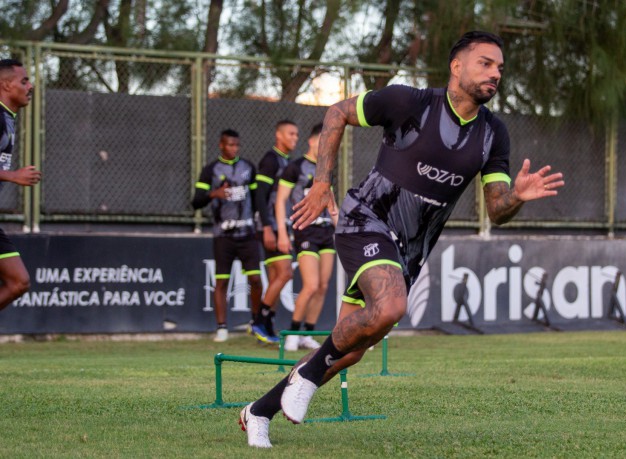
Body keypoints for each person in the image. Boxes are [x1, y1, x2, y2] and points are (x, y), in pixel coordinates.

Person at [239, 31, 565, 447]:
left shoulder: (492, 135)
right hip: (366, 218)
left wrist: (517, 196)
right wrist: (322, 183)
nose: (495, 73)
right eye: (485, 63)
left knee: (352, 347)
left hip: (408, 251)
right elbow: (337, 112)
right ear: (456, 66)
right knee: (391, 306)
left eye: (500, 67)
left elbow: (497, 210)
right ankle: (305, 376)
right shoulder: (408, 102)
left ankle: (258, 412)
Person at [192, 129, 263, 342]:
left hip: (247, 233)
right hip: (223, 235)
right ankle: (222, 327)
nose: (233, 149)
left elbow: (257, 197)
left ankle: (256, 323)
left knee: (256, 279)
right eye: (229, 145)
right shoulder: (211, 170)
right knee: (222, 281)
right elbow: (196, 201)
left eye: (236, 145)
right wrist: (214, 193)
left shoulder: (248, 167)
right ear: (221, 145)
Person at [275, 123, 338, 352]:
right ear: (312, 141)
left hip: (326, 232)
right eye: (323, 139)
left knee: (322, 285)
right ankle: (293, 332)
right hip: (304, 229)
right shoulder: (295, 167)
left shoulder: (327, 168)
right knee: (310, 285)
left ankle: (308, 334)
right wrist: (283, 231)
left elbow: (330, 201)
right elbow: (280, 200)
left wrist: (338, 226)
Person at [253, 120, 299, 343]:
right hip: (271, 225)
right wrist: (267, 228)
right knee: (285, 273)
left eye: (297, 135)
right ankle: (259, 320)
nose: (294, 138)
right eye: (290, 134)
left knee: (275, 277)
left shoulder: (286, 161)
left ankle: (268, 324)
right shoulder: (270, 160)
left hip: (281, 225)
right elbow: (260, 195)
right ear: (278, 135)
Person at [0, 59, 40, 312]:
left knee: (18, 282)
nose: (30, 86)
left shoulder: (8, 118)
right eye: (24, 81)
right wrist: (12, 175)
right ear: (5, 84)